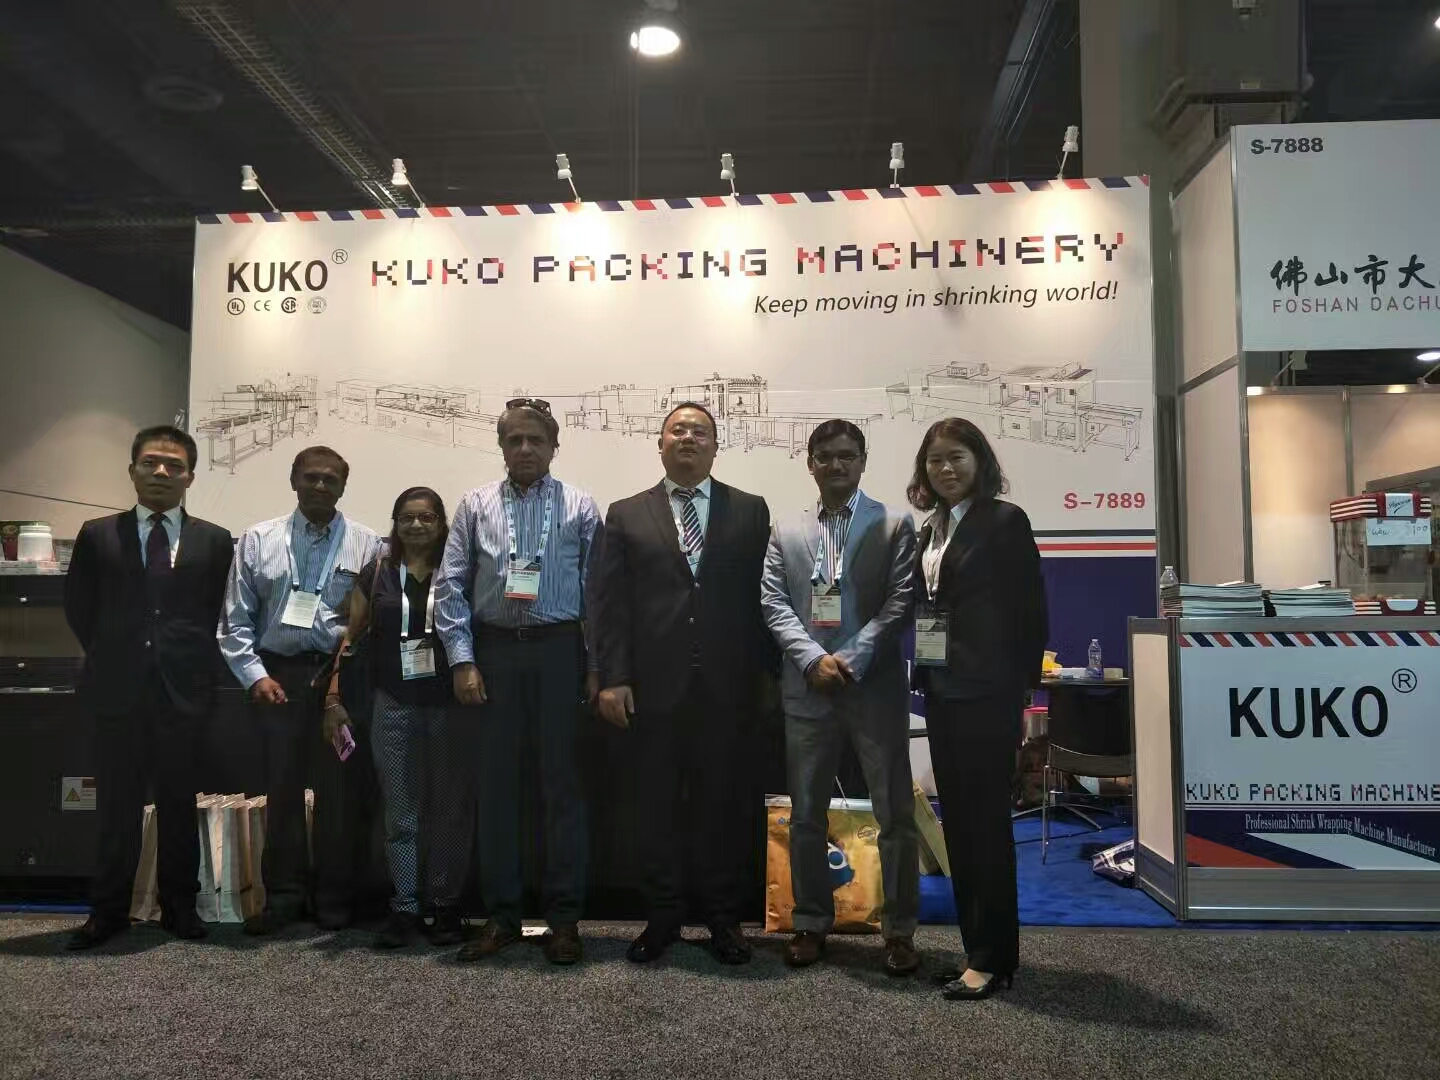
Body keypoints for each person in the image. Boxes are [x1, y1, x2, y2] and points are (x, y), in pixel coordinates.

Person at [591, 402, 772, 965]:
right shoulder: (626, 513)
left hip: (728, 687)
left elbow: (764, 601)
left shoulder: (750, 510)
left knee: (724, 804)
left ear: (715, 446)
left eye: (700, 431)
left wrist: (767, 678)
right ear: (661, 443)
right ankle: (663, 915)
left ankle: (723, 919)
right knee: (655, 806)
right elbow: (609, 604)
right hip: (652, 689)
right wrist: (614, 677)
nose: (688, 437)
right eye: (678, 430)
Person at [434, 399, 601, 965]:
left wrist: (595, 667)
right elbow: (451, 586)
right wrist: (462, 660)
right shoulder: (475, 504)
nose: (525, 449)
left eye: (535, 440)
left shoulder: (580, 505)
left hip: (559, 652)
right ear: (502, 446)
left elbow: (597, 594)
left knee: (563, 789)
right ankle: (502, 917)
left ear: (554, 446)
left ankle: (565, 920)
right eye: (514, 440)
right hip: (494, 654)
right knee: (497, 789)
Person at [63, 426, 234, 949]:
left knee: (180, 804)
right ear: (132, 470)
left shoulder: (215, 540)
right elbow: (79, 607)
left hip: (184, 692)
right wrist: (118, 654)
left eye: (174, 466)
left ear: (190, 477)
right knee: (116, 807)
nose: (161, 472)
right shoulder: (97, 534)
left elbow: (217, 612)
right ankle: (108, 911)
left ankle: (179, 908)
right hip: (117, 691)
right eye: (151, 463)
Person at [760, 420, 921, 975]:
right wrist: (812, 659)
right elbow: (773, 602)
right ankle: (809, 922)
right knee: (806, 814)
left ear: (863, 461)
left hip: (873, 689)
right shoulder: (786, 529)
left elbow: (900, 601)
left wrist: (849, 659)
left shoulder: (894, 524)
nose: (836, 465)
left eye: (847, 456)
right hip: (807, 688)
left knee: (894, 813)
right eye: (825, 456)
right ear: (810, 462)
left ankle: (899, 932)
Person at [908, 417, 1047, 1001]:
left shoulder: (1005, 521)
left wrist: (1021, 689)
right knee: (959, 823)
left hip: (988, 694)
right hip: (943, 691)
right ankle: (977, 951)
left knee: (985, 825)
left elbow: (1030, 611)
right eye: (935, 459)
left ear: (979, 461)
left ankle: (994, 957)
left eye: (956, 457)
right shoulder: (932, 529)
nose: (945, 468)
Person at [219, 445, 384, 934]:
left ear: (343, 486)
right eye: (311, 477)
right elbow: (235, 619)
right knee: (282, 789)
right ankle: (285, 898)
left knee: (339, 793)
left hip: (340, 680)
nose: (320, 485)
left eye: (331, 479)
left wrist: (342, 682)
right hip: (278, 679)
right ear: (294, 480)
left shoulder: (368, 544)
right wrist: (255, 676)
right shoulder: (257, 540)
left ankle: (334, 896)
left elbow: (372, 623)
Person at [325, 487, 467, 949]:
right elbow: (352, 637)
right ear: (395, 523)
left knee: (447, 808)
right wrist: (332, 696)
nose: (416, 525)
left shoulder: (458, 569)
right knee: (400, 809)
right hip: (393, 703)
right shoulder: (377, 572)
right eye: (406, 517)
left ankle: (444, 905)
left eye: (426, 517)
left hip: (449, 706)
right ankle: (405, 906)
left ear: (442, 523)